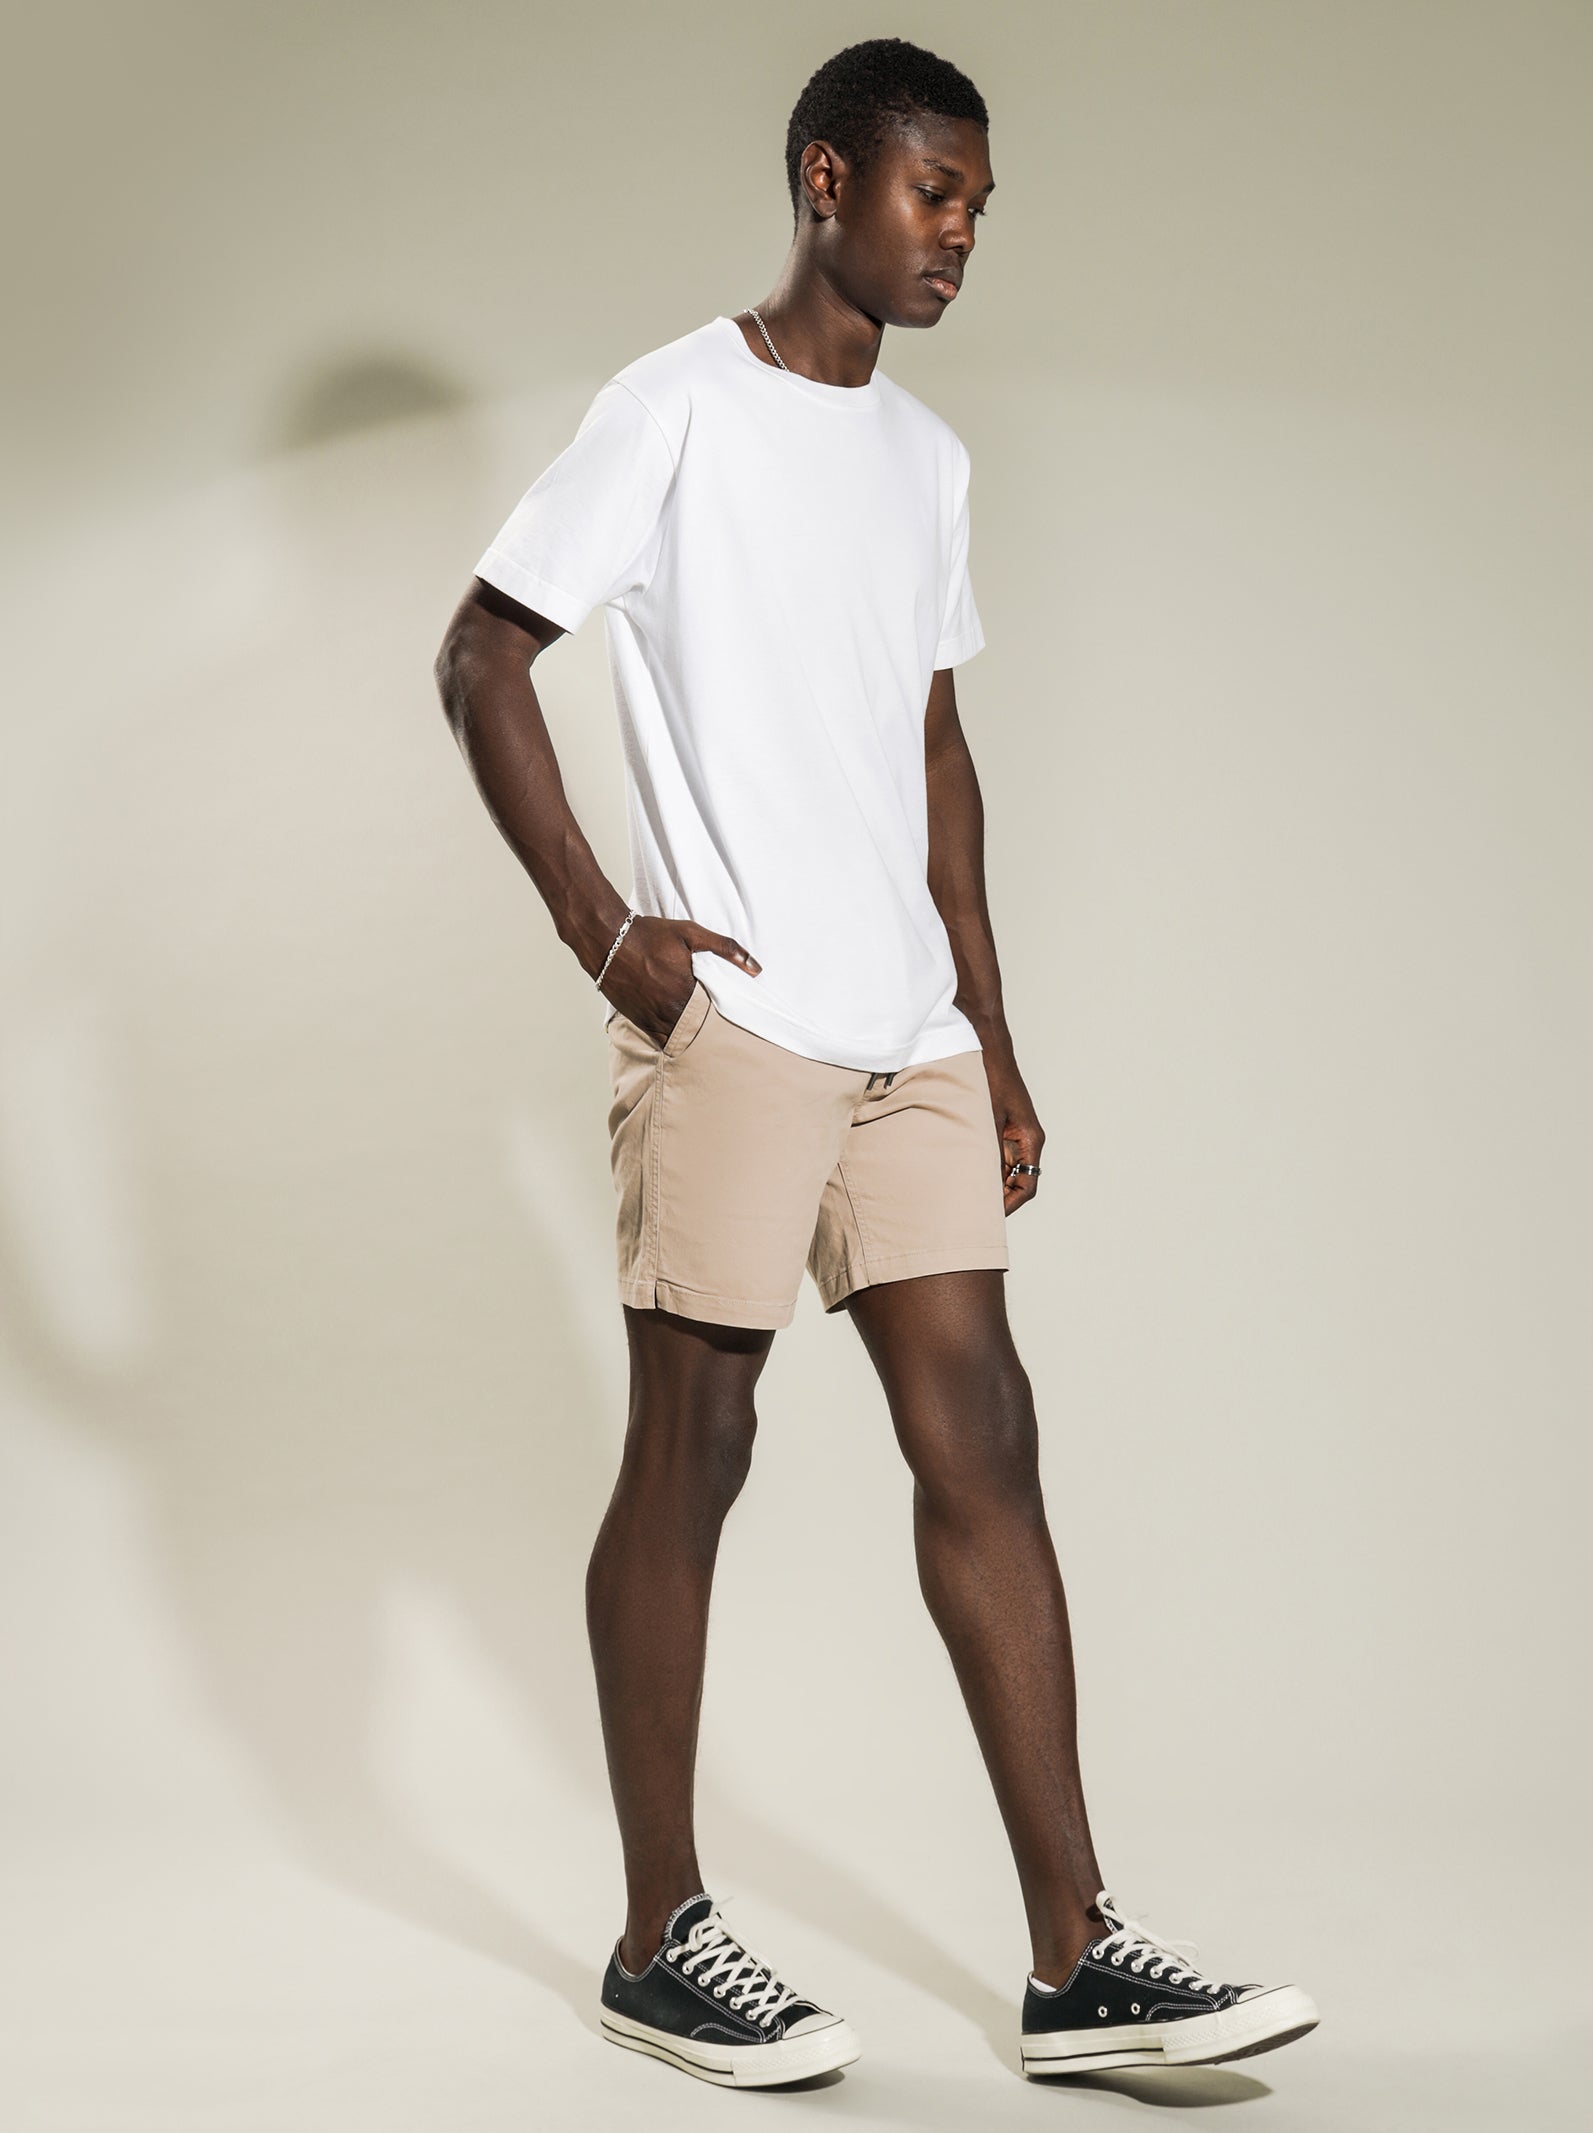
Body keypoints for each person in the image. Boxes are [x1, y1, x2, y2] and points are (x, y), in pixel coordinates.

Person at [433, 34, 1318, 2092]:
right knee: (699, 1441)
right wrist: (607, 931)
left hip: (903, 1025)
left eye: (980, 208)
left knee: (983, 1436)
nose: (960, 238)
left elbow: (933, 751)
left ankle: (1076, 1956)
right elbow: (483, 652)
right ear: (824, 178)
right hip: (738, 1019)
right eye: (935, 194)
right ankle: (658, 1935)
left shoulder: (924, 460)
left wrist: (987, 1033)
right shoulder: (673, 406)